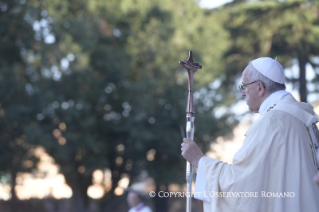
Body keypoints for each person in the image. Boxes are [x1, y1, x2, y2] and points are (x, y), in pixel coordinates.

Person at [181, 57, 319, 212]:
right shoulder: (304, 119)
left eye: (243, 86)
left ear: (259, 87)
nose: (242, 94)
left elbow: (241, 184)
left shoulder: (272, 122)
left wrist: (200, 161)